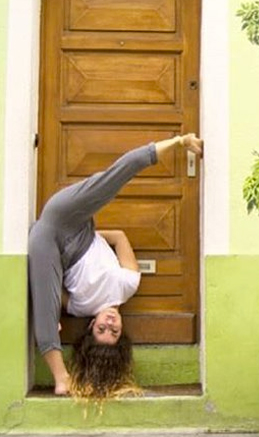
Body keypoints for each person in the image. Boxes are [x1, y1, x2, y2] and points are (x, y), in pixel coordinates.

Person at [28, 133, 203, 396]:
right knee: (114, 179)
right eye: (114, 331)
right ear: (122, 332)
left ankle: (61, 378)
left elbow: (51, 292)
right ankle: (180, 141)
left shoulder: (79, 307)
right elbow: (120, 237)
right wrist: (96, 237)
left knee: (46, 310)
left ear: (91, 325)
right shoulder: (128, 285)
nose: (109, 323)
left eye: (102, 329)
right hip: (74, 225)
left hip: (54, 235)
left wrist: (53, 309)